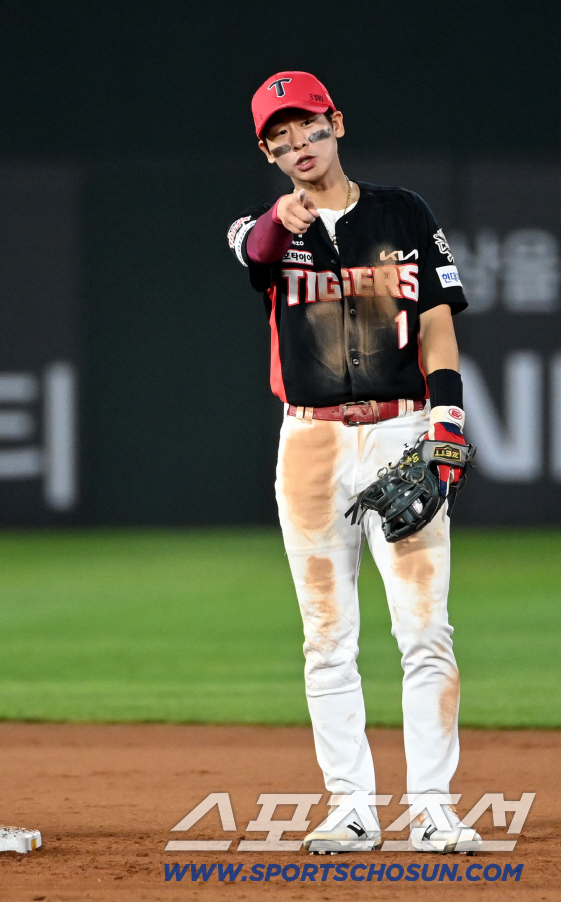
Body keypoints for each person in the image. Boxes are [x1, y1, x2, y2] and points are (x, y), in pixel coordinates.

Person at [226, 71, 481, 854]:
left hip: (400, 429)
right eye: (279, 139)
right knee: (327, 638)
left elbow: (435, 323)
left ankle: (432, 806)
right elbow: (255, 251)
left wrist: (446, 423)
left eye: (307, 126)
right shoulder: (265, 231)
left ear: (336, 122)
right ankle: (350, 807)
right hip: (310, 445)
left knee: (424, 629)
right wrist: (280, 218)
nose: (297, 144)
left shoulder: (404, 213)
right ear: (269, 156)